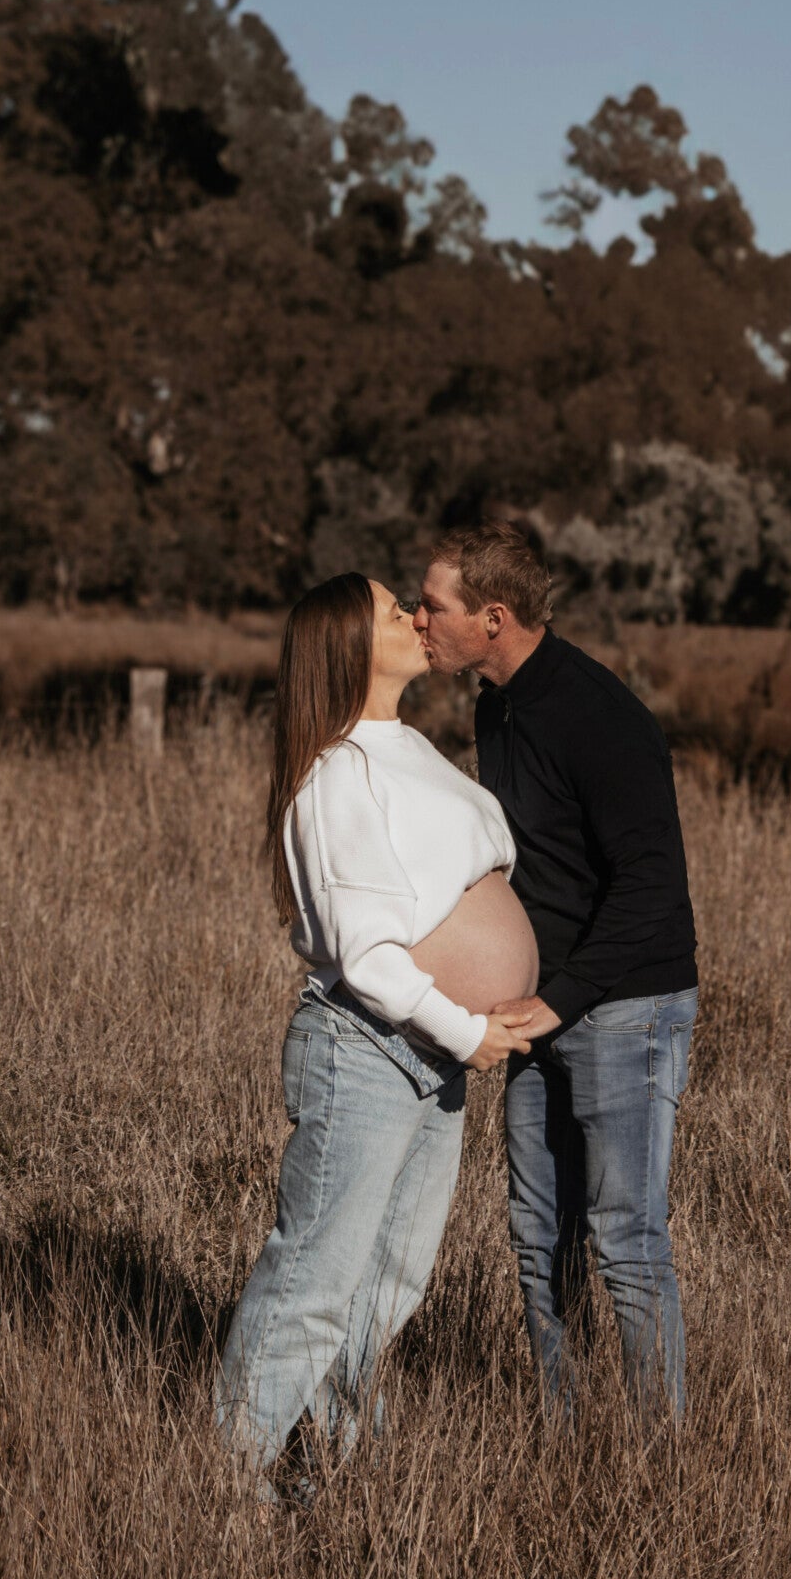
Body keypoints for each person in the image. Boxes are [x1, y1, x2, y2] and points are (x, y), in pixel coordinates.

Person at [217, 571, 547, 1490]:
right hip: (365, 1047)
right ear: (348, 648)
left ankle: (328, 1462)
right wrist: (465, 1026)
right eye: (391, 610)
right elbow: (365, 954)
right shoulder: (335, 774)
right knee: (316, 1277)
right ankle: (232, 1481)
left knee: (392, 1279)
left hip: (429, 1055)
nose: (413, 615)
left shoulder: (408, 746)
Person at [415, 524, 698, 1420]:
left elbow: (651, 888)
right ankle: (565, 1438)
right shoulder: (496, 705)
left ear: (493, 618)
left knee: (625, 1241)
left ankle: (659, 1455)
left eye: (434, 605)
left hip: (625, 1006)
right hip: (535, 1006)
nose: (418, 619)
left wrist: (558, 1001)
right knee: (539, 1236)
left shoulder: (599, 717)